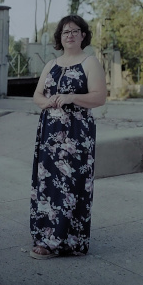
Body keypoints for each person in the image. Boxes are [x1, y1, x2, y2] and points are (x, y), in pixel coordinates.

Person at [30, 15, 107, 259]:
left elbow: (99, 97)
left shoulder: (90, 62)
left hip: (76, 134)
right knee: (48, 183)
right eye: (65, 32)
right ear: (59, 38)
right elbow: (37, 95)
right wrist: (48, 102)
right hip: (49, 133)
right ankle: (46, 235)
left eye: (75, 31)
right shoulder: (51, 64)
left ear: (83, 35)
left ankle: (67, 240)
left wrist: (72, 97)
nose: (70, 35)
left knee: (72, 184)